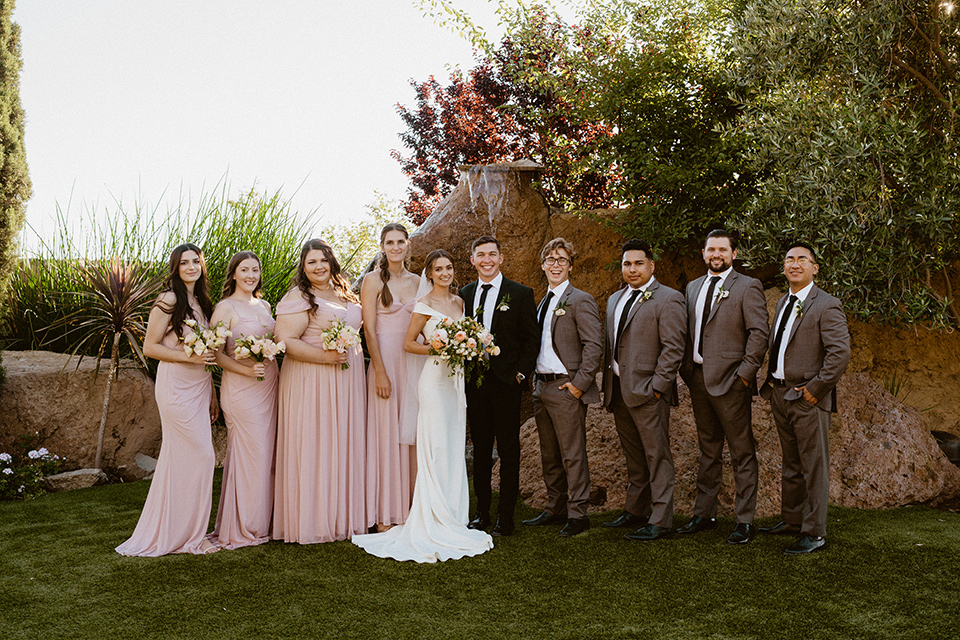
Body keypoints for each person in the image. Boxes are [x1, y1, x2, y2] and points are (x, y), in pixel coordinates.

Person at [352, 250, 494, 562]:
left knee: (453, 445)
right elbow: (408, 343)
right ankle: (432, 516)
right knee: (435, 446)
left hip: (454, 382)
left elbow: (467, 335)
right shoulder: (423, 304)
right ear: (429, 274)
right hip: (432, 381)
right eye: (439, 269)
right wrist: (438, 348)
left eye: (449, 268)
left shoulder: (459, 303)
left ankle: (453, 516)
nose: (445, 273)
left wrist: (467, 347)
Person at [116, 243, 220, 556]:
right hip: (176, 387)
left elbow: (208, 355)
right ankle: (190, 537)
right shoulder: (169, 298)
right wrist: (187, 355)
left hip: (200, 387)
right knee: (203, 457)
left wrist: (213, 393)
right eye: (184, 262)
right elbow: (150, 347)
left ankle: (188, 532)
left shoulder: (202, 302)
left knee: (185, 460)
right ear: (175, 267)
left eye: (195, 262)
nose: (191, 267)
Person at [677, 230, 769, 544]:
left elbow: (759, 334)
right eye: (711, 249)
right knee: (708, 448)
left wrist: (744, 376)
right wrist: (687, 371)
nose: (716, 254)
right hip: (698, 379)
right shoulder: (692, 287)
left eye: (722, 249)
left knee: (742, 451)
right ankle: (704, 514)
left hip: (732, 382)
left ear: (733, 253)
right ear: (704, 253)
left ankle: (745, 521)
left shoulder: (747, 286)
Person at [273, 239, 366, 544]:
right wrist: (325, 357)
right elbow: (286, 341)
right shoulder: (299, 297)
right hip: (311, 379)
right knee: (315, 443)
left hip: (347, 381)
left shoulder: (346, 293)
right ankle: (312, 521)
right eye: (311, 262)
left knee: (342, 442)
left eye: (323, 260)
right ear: (303, 266)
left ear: (332, 262)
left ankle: (342, 517)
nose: (319, 267)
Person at [759, 242, 850, 554]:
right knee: (792, 462)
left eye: (802, 259)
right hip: (780, 393)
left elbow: (840, 354)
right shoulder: (783, 301)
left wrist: (815, 389)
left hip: (807, 396)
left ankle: (815, 531)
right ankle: (793, 520)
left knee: (814, 465)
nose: (794, 264)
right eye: (789, 259)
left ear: (815, 268)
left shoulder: (827, 304)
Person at [601, 239, 686, 541]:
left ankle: (661, 519)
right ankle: (635, 510)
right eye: (627, 263)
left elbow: (673, 348)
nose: (632, 269)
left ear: (652, 265)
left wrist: (658, 388)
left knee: (657, 456)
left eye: (638, 263)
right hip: (618, 391)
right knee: (633, 456)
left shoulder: (669, 299)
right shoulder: (614, 300)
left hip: (649, 392)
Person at [521, 238, 602, 538]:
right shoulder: (542, 302)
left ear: (570, 265)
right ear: (542, 264)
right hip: (541, 388)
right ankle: (556, 506)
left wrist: (579, 386)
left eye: (562, 260)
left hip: (565, 389)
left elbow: (594, 345)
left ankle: (578, 513)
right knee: (549, 454)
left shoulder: (580, 299)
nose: (556, 264)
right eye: (551, 259)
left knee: (572, 454)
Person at [460, 236, 539, 537]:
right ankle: (482, 512)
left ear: (501, 258)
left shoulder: (519, 293)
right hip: (474, 384)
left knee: (508, 450)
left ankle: (506, 517)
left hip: (507, 384)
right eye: (481, 255)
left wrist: (520, 374)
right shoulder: (464, 294)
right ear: (473, 260)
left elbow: (531, 339)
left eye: (492, 254)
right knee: (480, 449)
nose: (487, 260)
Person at [207, 251, 278, 550]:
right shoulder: (225, 308)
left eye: (256, 270)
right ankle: (245, 526)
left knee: (268, 453)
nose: (251, 275)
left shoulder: (265, 305)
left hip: (270, 384)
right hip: (241, 389)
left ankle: (266, 520)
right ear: (233, 274)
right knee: (252, 454)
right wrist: (246, 369)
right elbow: (215, 353)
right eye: (245, 270)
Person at [362, 223, 421, 530]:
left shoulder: (418, 281)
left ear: (408, 244)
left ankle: (411, 506)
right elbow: (369, 330)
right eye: (390, 242)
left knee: (410, 435)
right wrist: (380, 371)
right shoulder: (373, 281)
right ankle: (386, 512)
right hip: (385, 363)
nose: (396, 246)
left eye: (401, 241)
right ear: (382, 246)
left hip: (412, 364)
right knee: (386, 435)